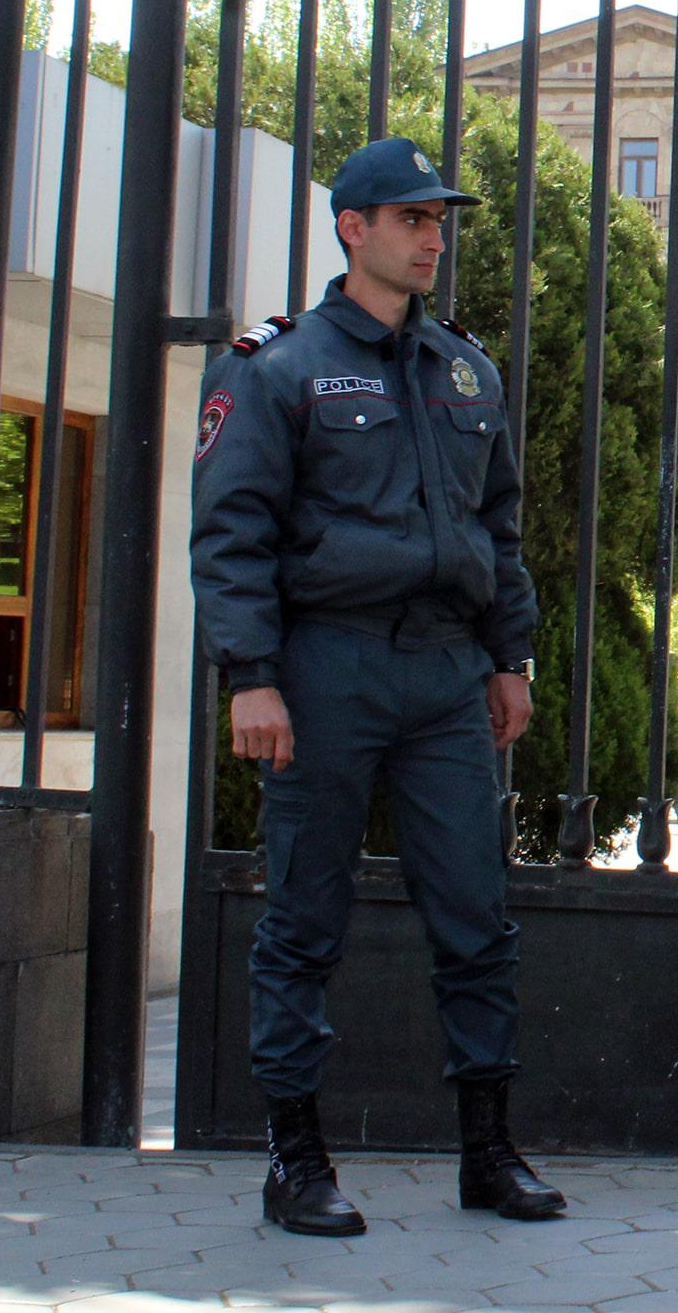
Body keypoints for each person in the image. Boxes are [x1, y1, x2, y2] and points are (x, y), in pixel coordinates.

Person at [190, 137, 564, 1237]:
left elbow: (499, 529)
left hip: (447, 673)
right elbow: (233, 535)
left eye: (439, 220)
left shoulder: (464, 369)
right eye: (410, 218)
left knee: (475, 916)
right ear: (353, 228)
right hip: (326, 666)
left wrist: (510, 655)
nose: (431, 236)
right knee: (304, 917)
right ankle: (296, 1162)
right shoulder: (279, 366)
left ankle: (488, 1155)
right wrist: (251, 677)